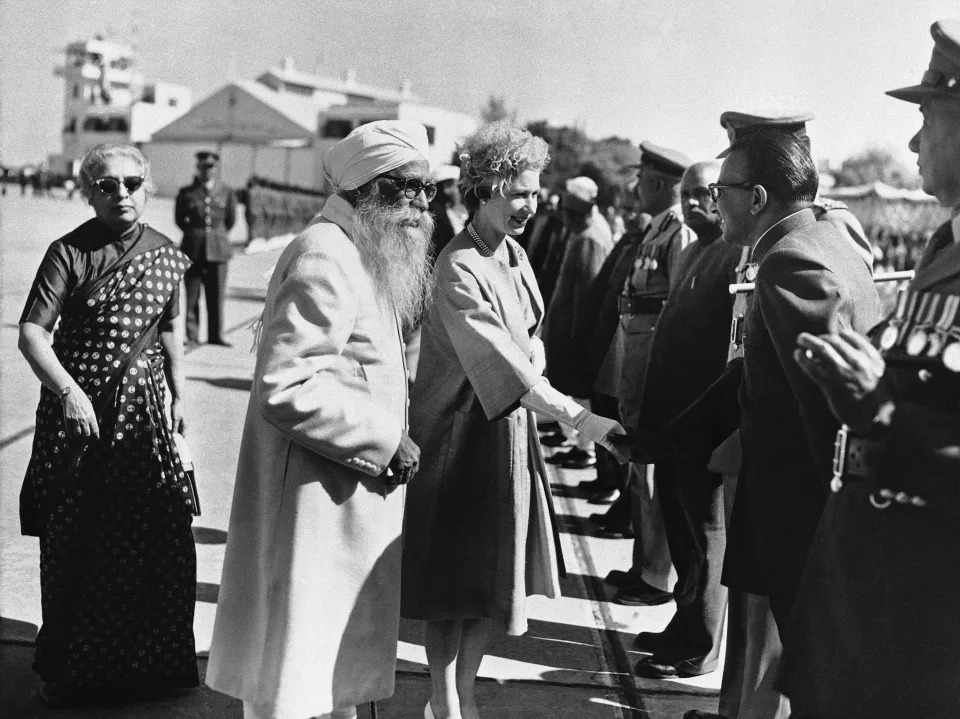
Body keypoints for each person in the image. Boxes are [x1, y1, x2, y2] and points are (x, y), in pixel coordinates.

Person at [612, 128, 881, 686]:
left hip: (800, 515)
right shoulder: (823, 243)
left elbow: (823, 413)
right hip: (802, 509)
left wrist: (836, 539)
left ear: (756, 199)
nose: (713, 203)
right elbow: (753, 375)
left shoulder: (791, 262)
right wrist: (667, 441)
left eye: (722, 192)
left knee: (809, 671)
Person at [205, 121, 434, 719]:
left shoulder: (364, 250)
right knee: (295, 676)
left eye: (426, 190)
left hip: (341, 493)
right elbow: (285, 384)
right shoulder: (327, 254)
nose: (422, 204)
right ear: (368, 188)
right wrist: (386, 440)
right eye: (409, 188)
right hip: (313, 503)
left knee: (325, 673)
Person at [400, 122, 627, 719]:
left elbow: (530, 342)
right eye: (518, 193)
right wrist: (581, 417)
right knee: (451, 588)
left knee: (492, 584)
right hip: (456, 441)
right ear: (484, 189)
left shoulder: (515, 253)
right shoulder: (457, 266)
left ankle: (465, 692)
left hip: (505, 434)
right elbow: (501, 360)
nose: (529, 204)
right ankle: (446, 703)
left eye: (534, 192)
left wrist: (542, 362)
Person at [780, 20, 960, 718]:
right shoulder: (944, 245)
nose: (914, 141)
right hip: (872, 604)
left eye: (928, 117)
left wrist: (884, 414)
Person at [18, 143, 198, 704]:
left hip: (144, 412)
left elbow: (172, 332)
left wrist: (179, 395)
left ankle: (152, 668)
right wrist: (69, 392)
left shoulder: (166, 253)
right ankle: (75, 671)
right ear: (87, 190)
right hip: (80, 414)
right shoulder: (67, 252)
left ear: (148, 186)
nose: (122, 193)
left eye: (132, 182)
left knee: (157, 534)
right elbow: (31, 334)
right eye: (106, 184)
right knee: (79, 534)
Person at [631, 161, 742, 679]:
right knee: (681, 532)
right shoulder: (693, 248)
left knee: (706, 534)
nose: (698, 203)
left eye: (707, 194)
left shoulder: (734, 253)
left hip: (703, 421)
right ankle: (684, 622)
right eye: (692, 194)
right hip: (672, 422)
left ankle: (703, 643)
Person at [597, 141, 695, 606]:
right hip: (634, 364)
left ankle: (657, 575)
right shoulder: (657, 229)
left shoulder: (679, 233)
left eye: (642, 181)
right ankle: (644, 564)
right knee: (638, 473)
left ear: (657, 184)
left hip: (651, 367)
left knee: (651, 473)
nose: (635, 189)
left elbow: (677, 309)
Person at [719, 110, 874, 269]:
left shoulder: (830, 221)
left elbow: (855, 291)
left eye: (773, 157)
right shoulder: (751, 226)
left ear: (802, 150)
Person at [543, 175, 614, 469]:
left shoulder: (589, 238)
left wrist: (575, 341)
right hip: (568, 334)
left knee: (581, 395)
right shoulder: (584, 232)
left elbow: (585, 295)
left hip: (576, 338)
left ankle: (585, 450)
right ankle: (579, 445)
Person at [175, 150, 237, 347]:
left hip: (218, 250)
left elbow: (230, 220)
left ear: (216, 168)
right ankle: (191, 336)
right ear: (197, 168)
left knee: (216, 295)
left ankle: (215, 335)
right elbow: (179, 220)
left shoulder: (226, 191)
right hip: (192, 249)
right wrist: (196, 234)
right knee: (192, 296)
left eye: (210, 166)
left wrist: (214, 236)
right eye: (202, 166)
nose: (206, 170)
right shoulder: (186, 192)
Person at [428, 163, 466, 263]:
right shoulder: (436, 213)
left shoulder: (443, 210)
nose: (460, 191)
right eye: (457, 186)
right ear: (446, 187)